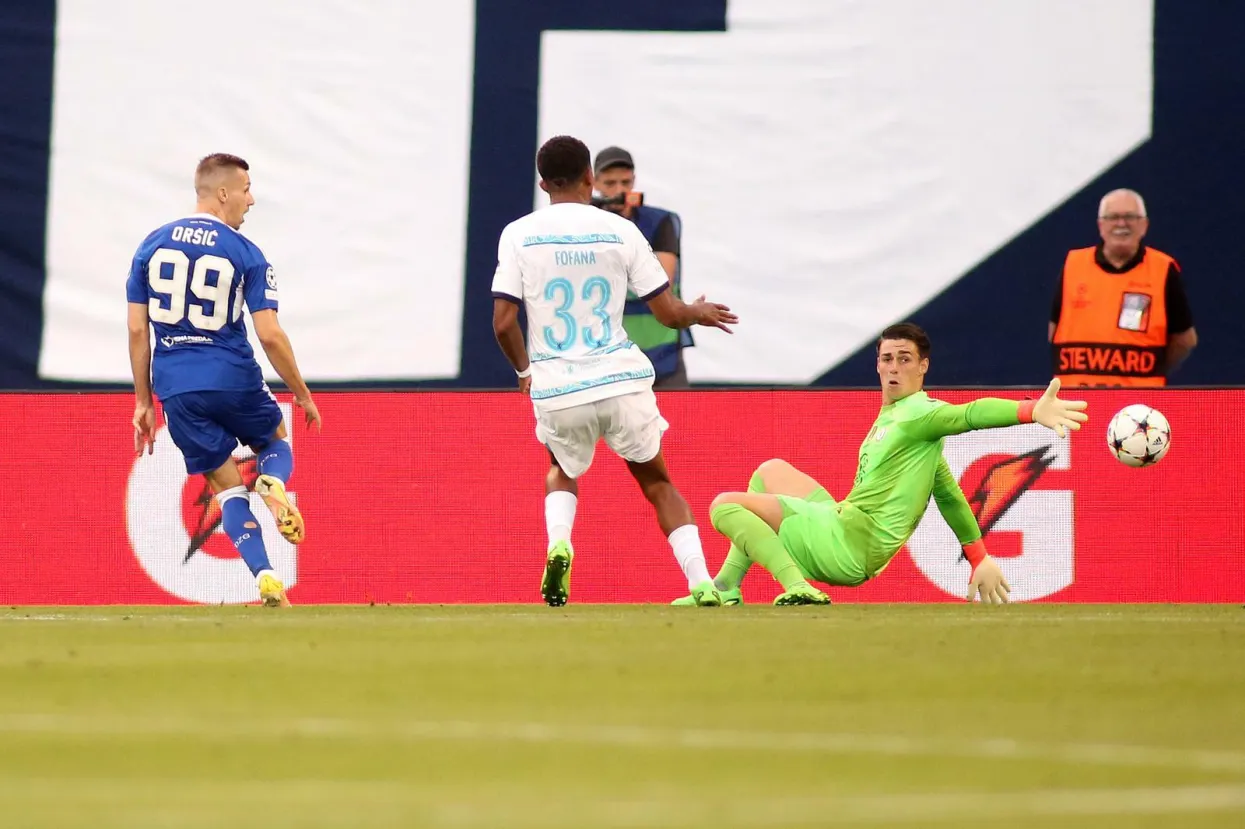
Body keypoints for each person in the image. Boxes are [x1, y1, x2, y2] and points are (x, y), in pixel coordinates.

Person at [673, 322, 1089, 607]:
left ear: (923, 367)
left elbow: (970, 413)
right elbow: (948, 495)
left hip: (849, 548)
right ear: (877, 364)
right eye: (887, 358)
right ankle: (727, 587)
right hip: (843, 521)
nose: (894, 367)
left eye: (905, 359)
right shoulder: (902, 426)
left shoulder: (920, 414)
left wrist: (1031, 410)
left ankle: (796, 586)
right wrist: (979, 557)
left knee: (724, 506)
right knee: (770, 470)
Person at [491, 135, 737, 607]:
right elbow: (667, 314)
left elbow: (503, 323)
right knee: (658, 483)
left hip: (559, 386)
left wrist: (525, 369)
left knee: (561, 469)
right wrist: (697, 312)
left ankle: (559, 543)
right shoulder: (622, 232)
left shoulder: (518, 234)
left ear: (543, 183)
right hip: (622, 380)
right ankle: (702, 582)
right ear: (590, 177)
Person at [126, 153, 320, 608]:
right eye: (247, 189)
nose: (251, 200)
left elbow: (138, 330)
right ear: (223, 193)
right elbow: (269, 334)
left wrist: (143, 402)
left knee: (228, 488)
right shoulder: (245, 252)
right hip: (232, 374)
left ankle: (266, 575)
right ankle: (273, 481)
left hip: (175, 386)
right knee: (275, 445)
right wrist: (303, 393)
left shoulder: (149, 247)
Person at [1050, 188, 1197, 387]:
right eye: (1113, 217)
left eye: (1130, 217)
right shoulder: (1074, 265)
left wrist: (1153, 371)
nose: (1121, 223)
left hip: (1139, 404)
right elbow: (1054, 330)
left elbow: (1185, 339)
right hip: (1075, 401)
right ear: (1100, 225)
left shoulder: (1163, 269)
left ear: (1144, 225)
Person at [592, 146, 692, 388]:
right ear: (594, 183)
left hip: (663, 358)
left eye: (625, 182)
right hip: (610, 361)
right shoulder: (584, 223)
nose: (619, 191)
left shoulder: (660, 222)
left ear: (634, 181)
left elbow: (661, 282)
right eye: (610, 183)